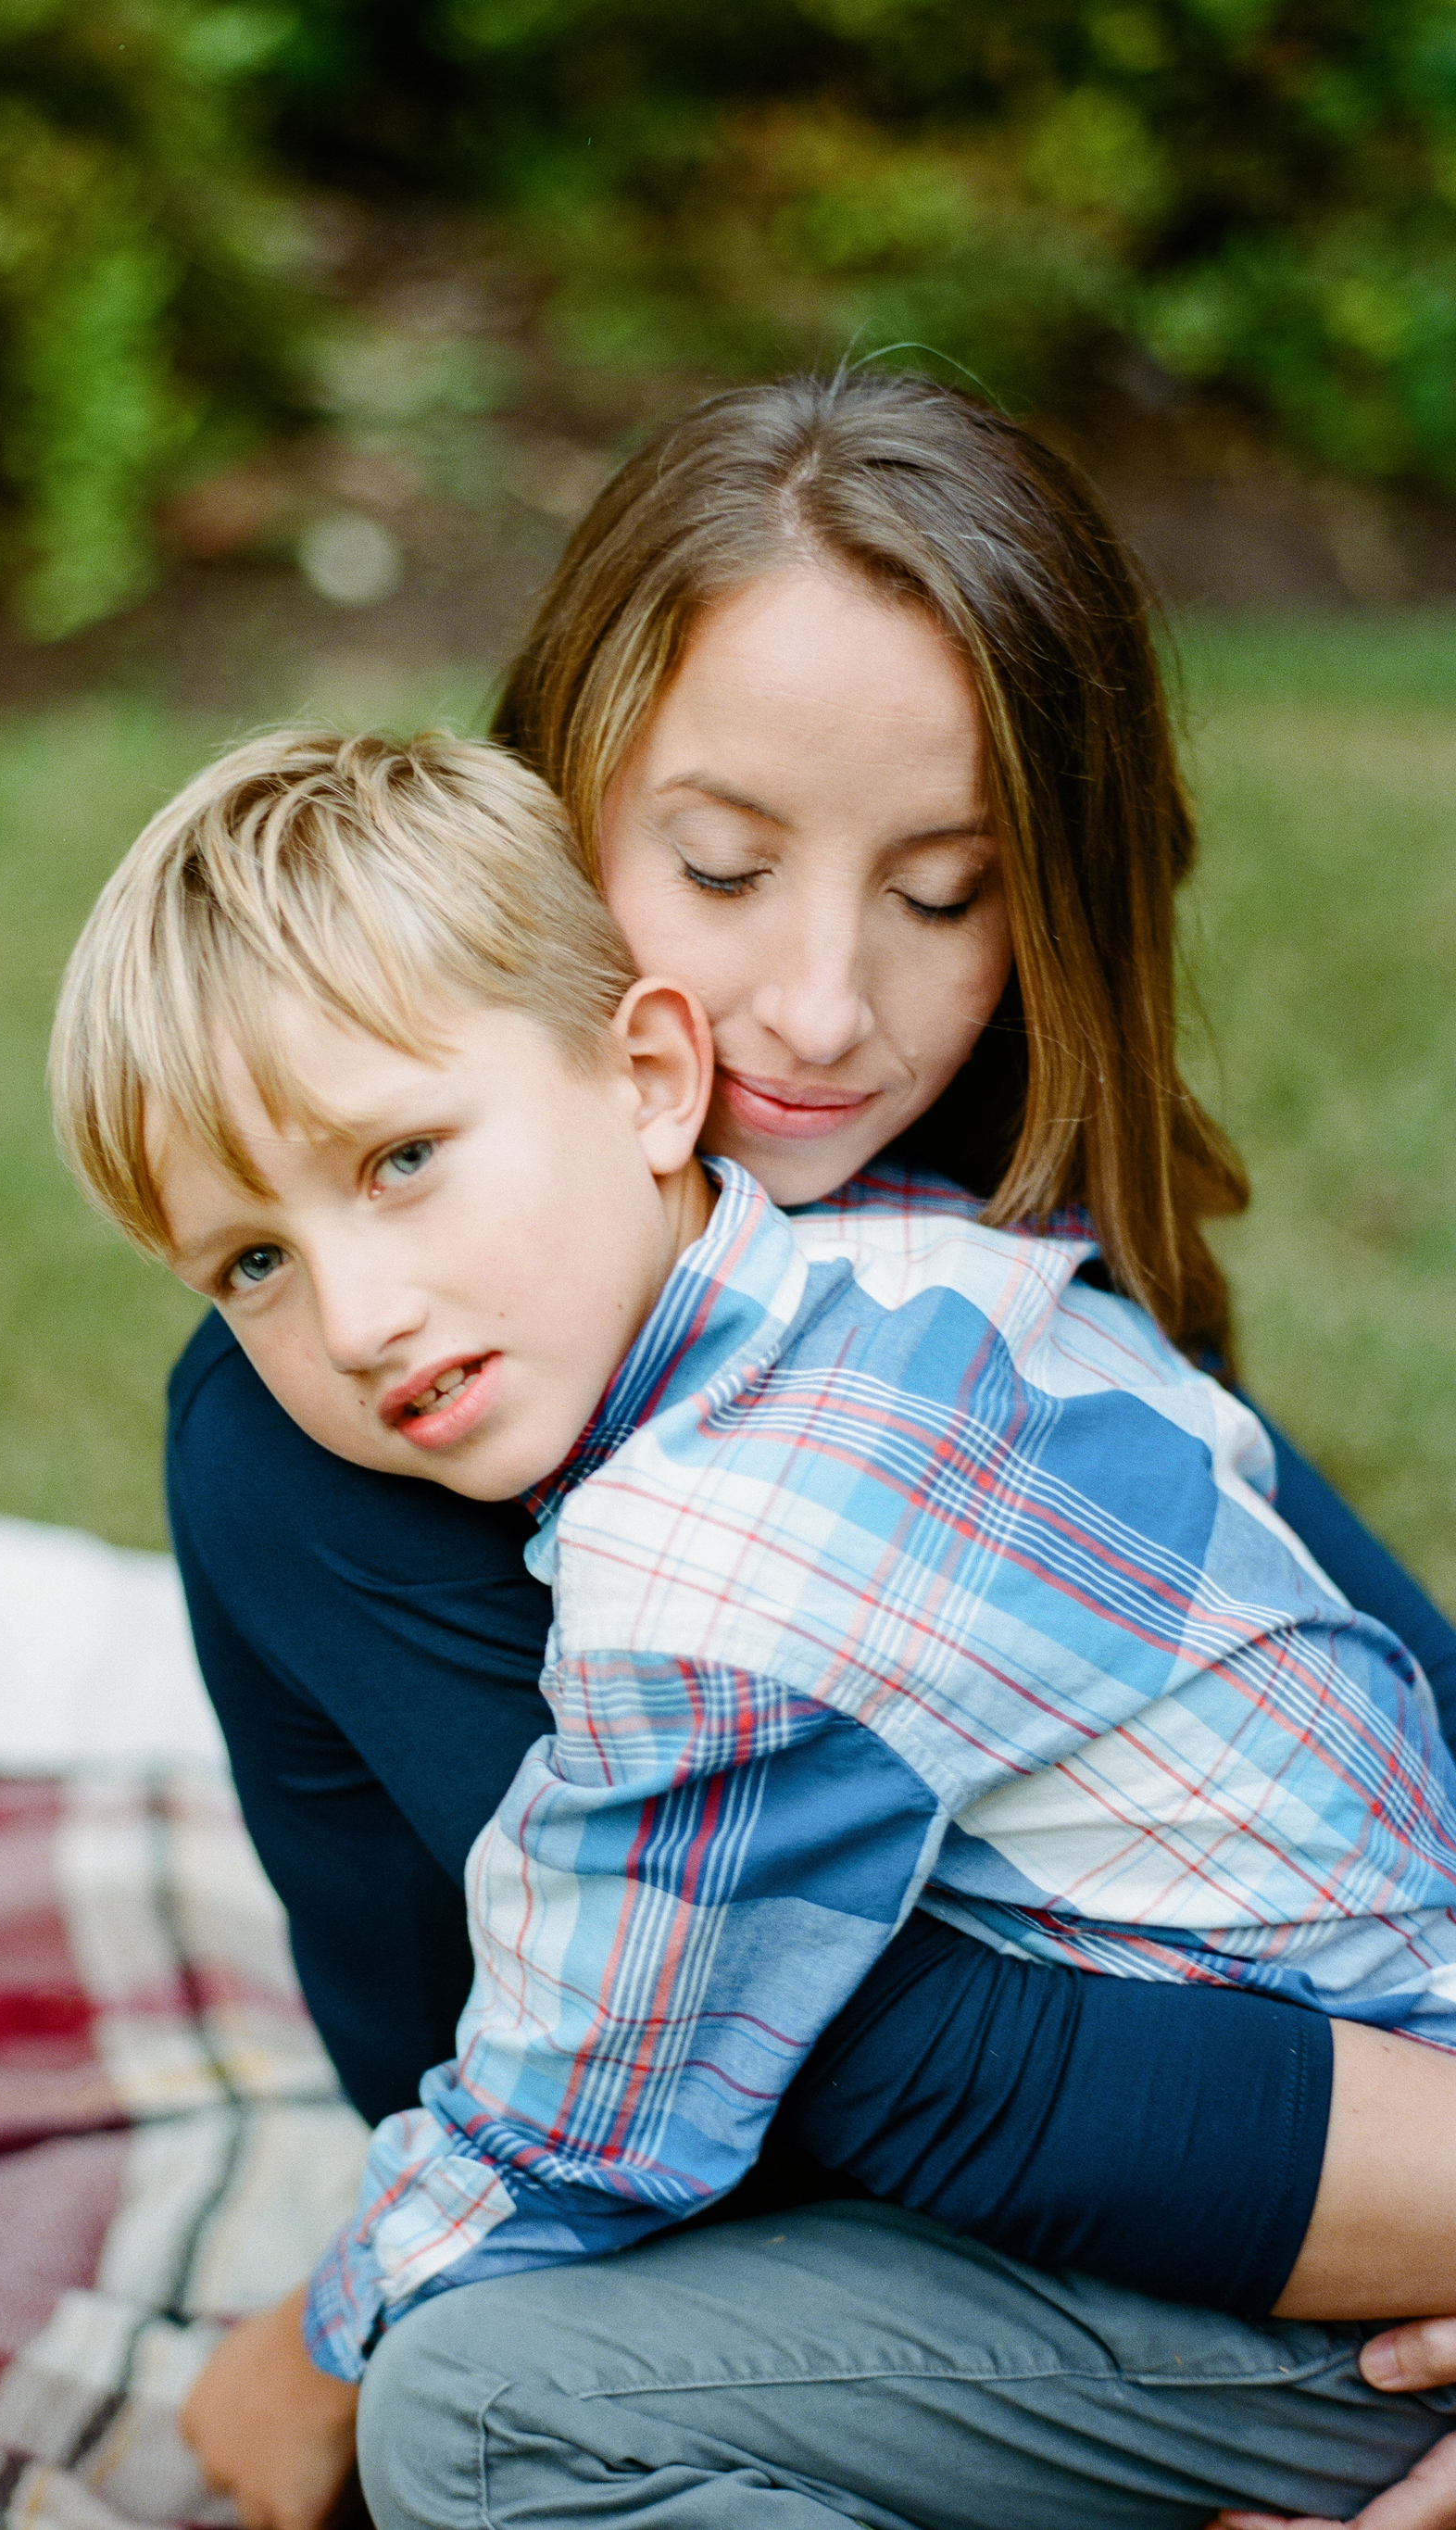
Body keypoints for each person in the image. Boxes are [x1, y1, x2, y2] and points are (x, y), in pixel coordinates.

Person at [77, 370, 1456, 2526]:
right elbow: (826, 2060)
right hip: (941, 2243)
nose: (818, 1013)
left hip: (1234, 2248)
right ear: (546, 813)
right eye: (721, 866)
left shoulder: (912, 1311)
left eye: (945, 893)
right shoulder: (370, 1405)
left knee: (468, 2410)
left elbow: (759, 2061)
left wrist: (325, 2328)